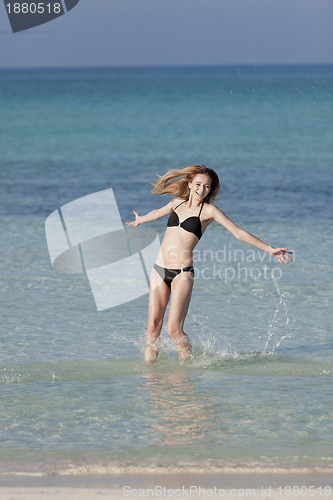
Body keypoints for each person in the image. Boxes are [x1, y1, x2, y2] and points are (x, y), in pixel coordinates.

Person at [126, 165, 292, 363]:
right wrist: (140, 220)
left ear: (210, 190)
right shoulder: (177, 203)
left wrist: (269, 249)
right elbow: (157, 213)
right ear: (189, 184)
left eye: (206, 186)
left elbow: (238, 233)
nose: (201, 189)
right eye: (198, 184)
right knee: (153, 326)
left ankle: (187, 368)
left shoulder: (209, 211)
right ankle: (150, 374)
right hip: (158, 270)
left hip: (182, 273)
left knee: (173, 330)